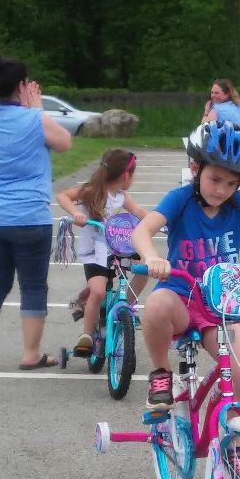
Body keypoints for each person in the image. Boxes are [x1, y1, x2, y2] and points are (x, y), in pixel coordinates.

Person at [131, 120, 240, 411]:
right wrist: (151, 257)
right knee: (156, 304)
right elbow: (142, 231)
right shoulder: (180, 200)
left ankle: (235, 443)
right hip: (180, 298)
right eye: (215, 179)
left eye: (232, 183)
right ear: (196, 168)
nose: (222, 190)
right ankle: (160, 372)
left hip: (220, 306)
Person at [0, 52, 72, 371]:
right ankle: (31, 353)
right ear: (22, 86)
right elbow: (64, 142)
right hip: (29, 216)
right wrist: (36, 108)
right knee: (33, 285)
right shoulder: (34, 119)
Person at [55, 148, 150, 355]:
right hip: (95, 253)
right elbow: (62, 196)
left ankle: (126, 307)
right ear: (126, 175)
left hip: (117, 247)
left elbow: (139, 212)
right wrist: (75, 213)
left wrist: (159, 221)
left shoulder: (121, 196)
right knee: (98, 291)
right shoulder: (91, 190)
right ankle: (86, 336)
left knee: (145, 267)